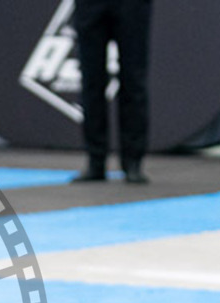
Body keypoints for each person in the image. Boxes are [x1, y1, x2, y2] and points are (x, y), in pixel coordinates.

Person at [72, 0, 153, 184]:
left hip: (131, 6)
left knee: (133, 79)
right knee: (91, 80)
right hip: (90, 6)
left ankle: (133, 161)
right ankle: (95, 160)